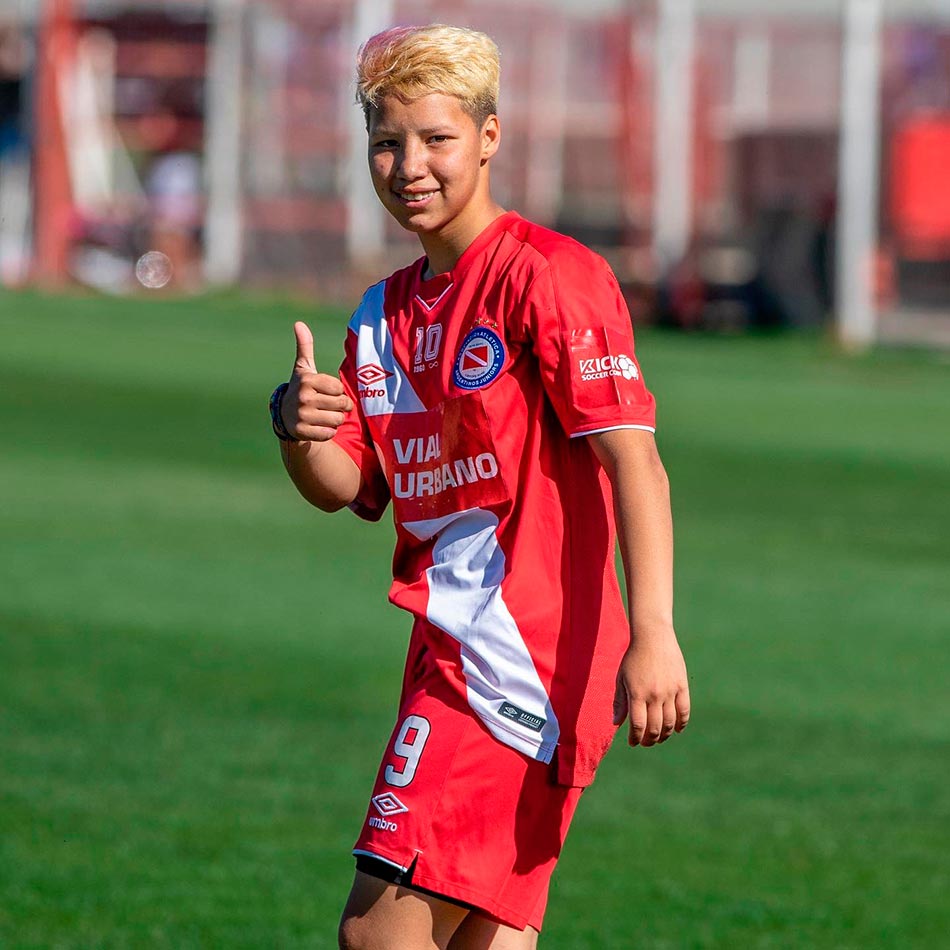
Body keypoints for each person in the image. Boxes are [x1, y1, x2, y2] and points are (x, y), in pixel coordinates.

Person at [270, 24, 690, 950]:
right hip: (447, 653)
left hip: (515, 665)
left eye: (436, 139)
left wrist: (654, 633)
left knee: (377, 935)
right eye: (387, 141)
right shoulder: (379, 315)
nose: (408, 165)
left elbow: (635, 461)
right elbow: (346, 483)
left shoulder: (548, 275)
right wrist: (298, 428)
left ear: (490, 138)